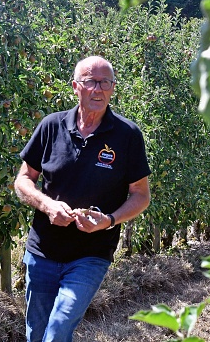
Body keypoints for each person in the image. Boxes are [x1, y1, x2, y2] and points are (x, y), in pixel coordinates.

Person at [14, 56, 151, 342]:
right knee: (36, 333)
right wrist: (47, 205)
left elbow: (141, 195)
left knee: (58, 329)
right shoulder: (51, 126)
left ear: (113, 88)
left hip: (92, 253)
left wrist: (110, 220)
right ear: (76, 86)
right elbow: (23, 179)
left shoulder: (127, 135)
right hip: (43, 250)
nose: (98, 89)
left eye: (105, 83)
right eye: (90, 82)